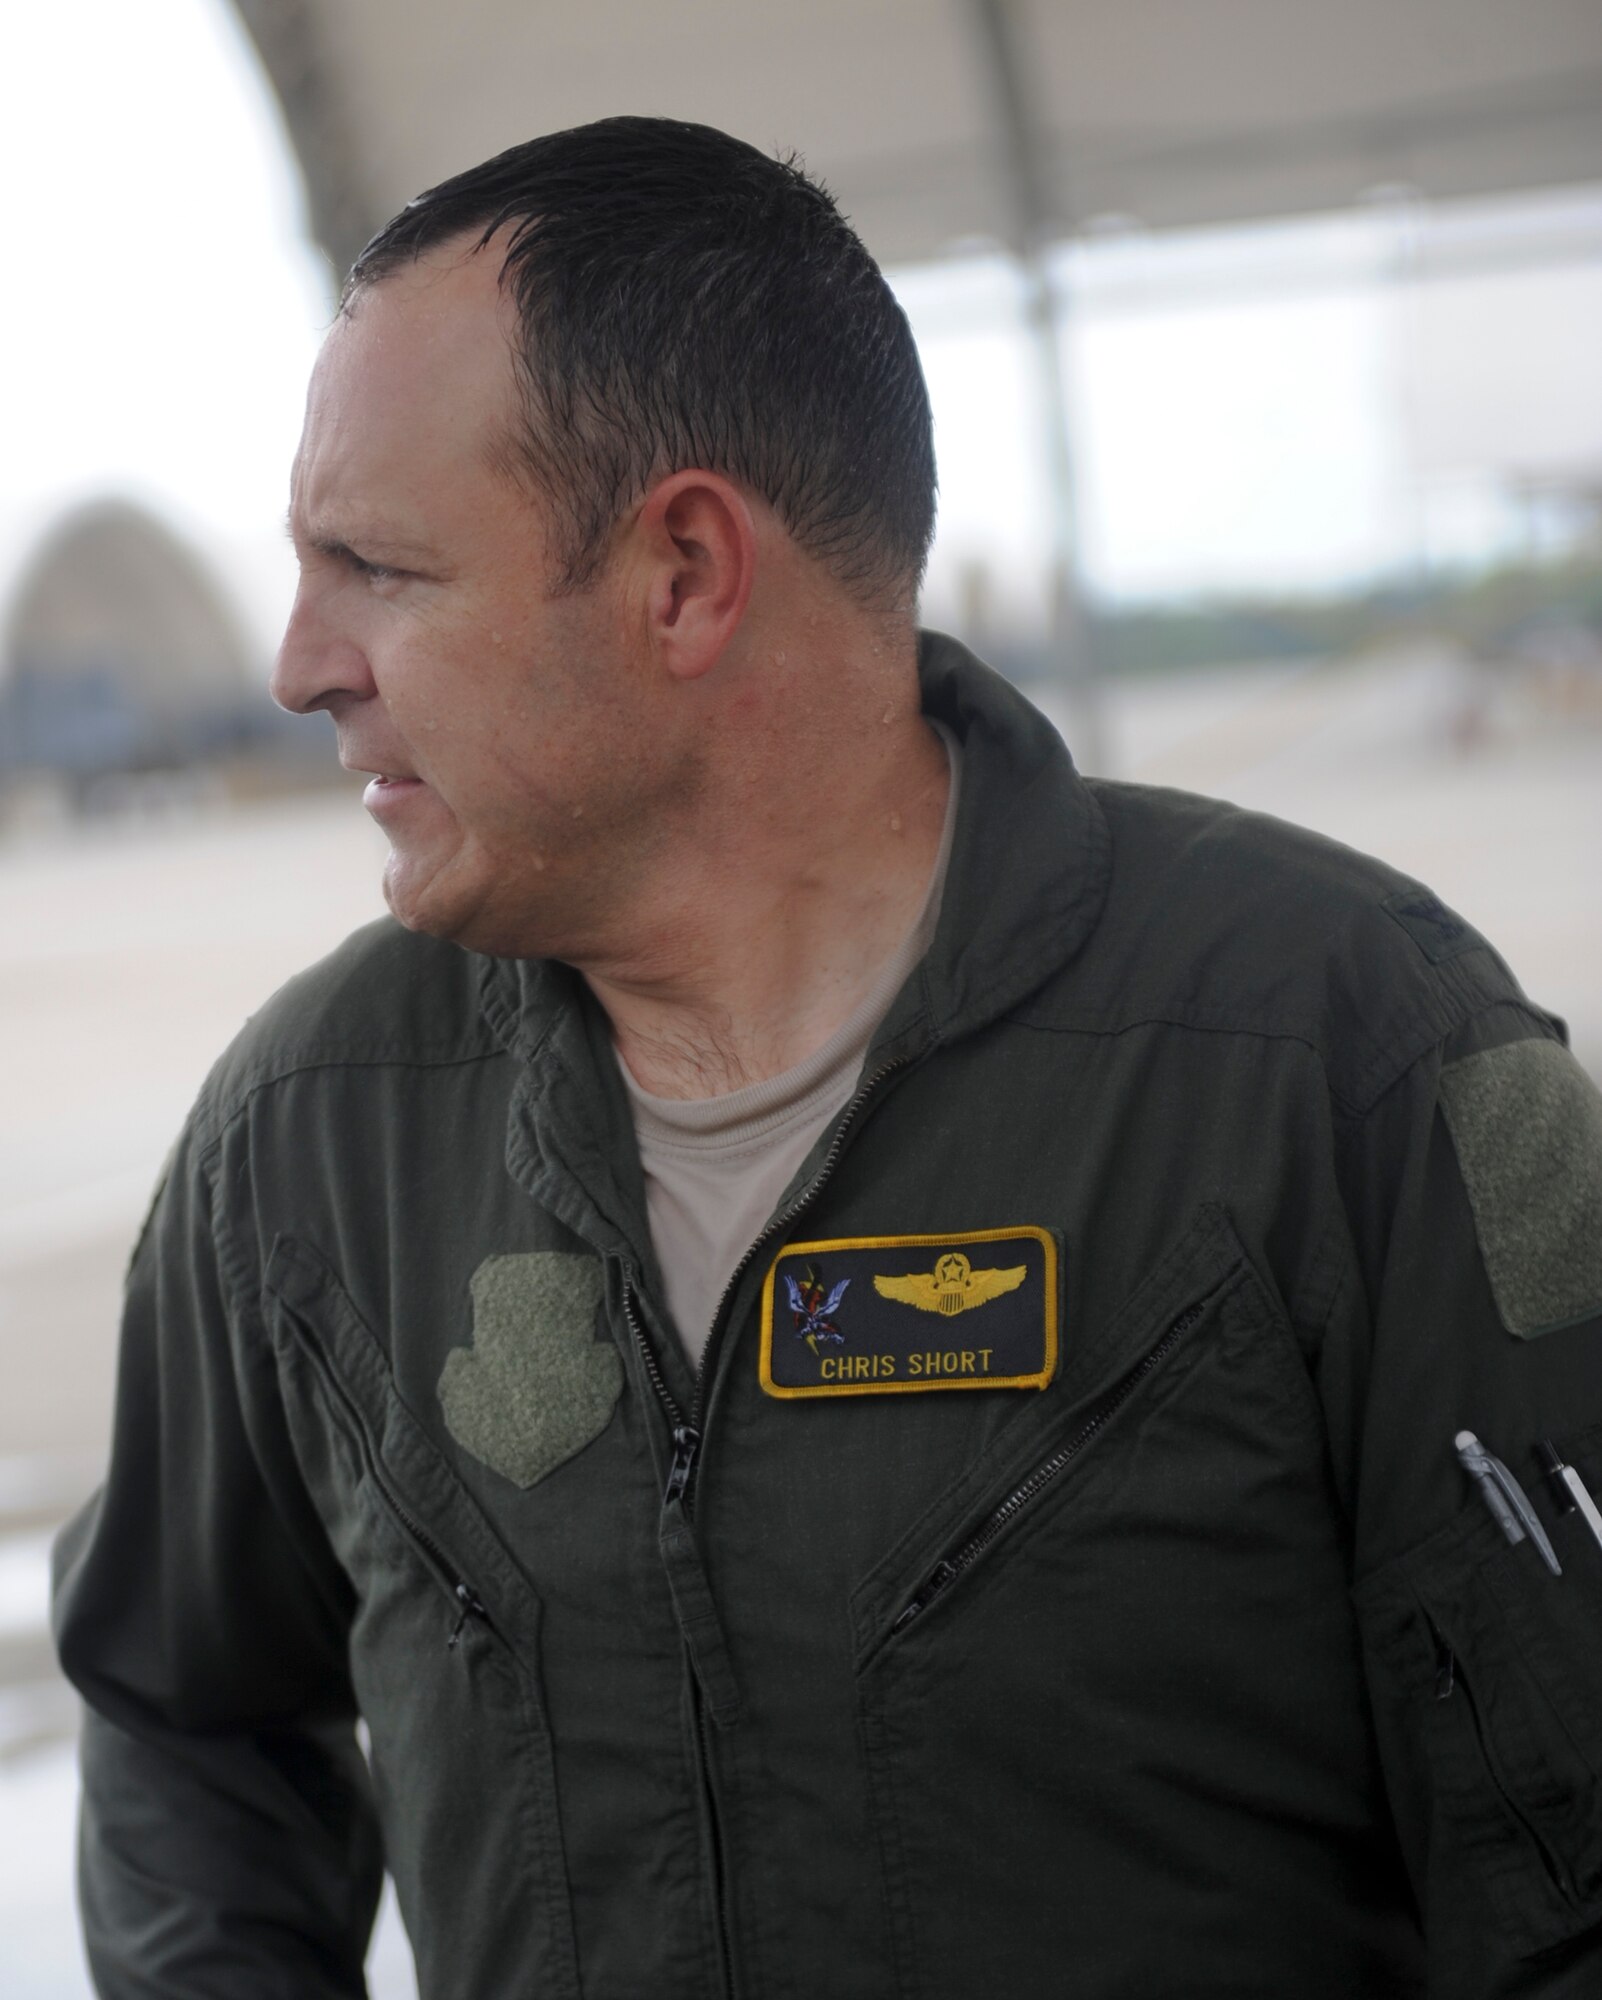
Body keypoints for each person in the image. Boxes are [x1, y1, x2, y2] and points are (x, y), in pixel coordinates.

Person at [52, 115, 1602, 2000]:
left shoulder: (1344, 1055)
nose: (301, 664)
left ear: (687, 571)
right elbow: (181, 1714)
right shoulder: (306, 1140)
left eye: (376, 566)